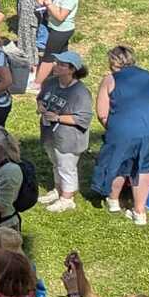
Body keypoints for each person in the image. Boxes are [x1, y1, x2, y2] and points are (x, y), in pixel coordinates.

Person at [91, 44, 149, 224]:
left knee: (118, 162)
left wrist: (114, 132)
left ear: (112, 62)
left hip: (127, 128)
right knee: (144, 166)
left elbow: (102, 113)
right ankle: (139, 212)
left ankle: (113, 201)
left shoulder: (110, 80)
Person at [34, 50, 92, 212]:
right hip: (50, 133)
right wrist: (40, 106)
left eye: (61, 65)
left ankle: (67, 198)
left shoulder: (81, 92)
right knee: (56, 163)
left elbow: (83, 118)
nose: (56, 66)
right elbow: (40, 98)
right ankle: (58, 190)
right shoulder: (51, 82)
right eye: (57, 63)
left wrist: (58, 118)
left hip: (69, 138)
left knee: (67, 167)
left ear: (72, 69)